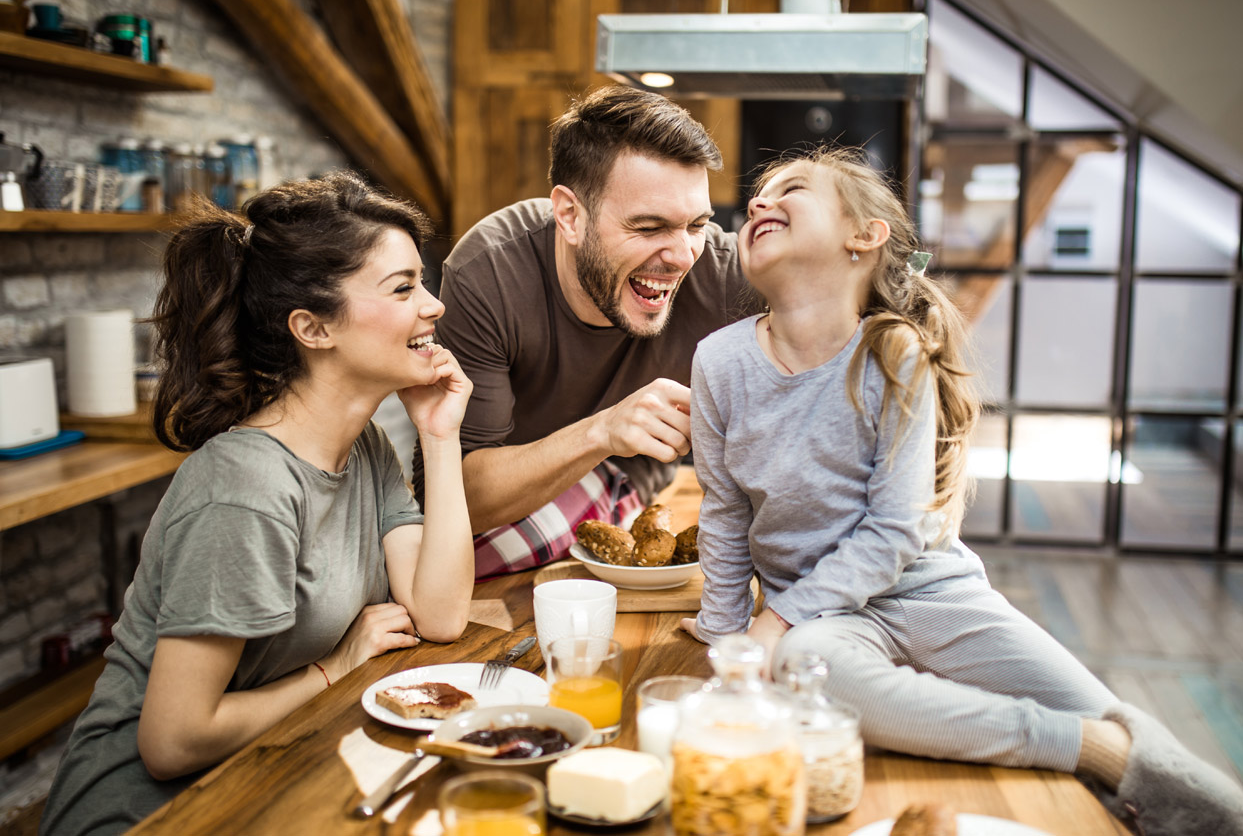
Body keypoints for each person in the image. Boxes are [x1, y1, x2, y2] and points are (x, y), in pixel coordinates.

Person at [681, 146, 1243, 836]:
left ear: (864, 235)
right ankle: (1072, 745)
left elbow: (892, 533)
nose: (759, 203)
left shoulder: (894, 355)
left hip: (928, 590)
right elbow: (725, 509)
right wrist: (724, 632)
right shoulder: (718, 361)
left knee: (1116, 724)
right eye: (756, 196)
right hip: (825, 617)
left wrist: (774, 621)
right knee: (805, 665)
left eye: (789, 189)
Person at [40, 172, 475, 836]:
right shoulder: (245, 491)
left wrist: (440, 437)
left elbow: (440, 615)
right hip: (150, 815)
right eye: (404, 287)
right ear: (312, 327)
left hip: (269, 771)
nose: (434, 306)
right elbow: (173, 742)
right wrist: (336, 668)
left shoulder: (364, 451)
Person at [414, 84, 755, 580]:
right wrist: (602, 431)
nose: (683, 256)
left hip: (627, 479)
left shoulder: (728, 273)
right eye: (648, 227)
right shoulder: (487, 272)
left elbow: (865, 310)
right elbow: (457, 497)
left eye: (697, 224)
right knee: (445, 560)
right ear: (570, 215)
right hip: (508, 486)